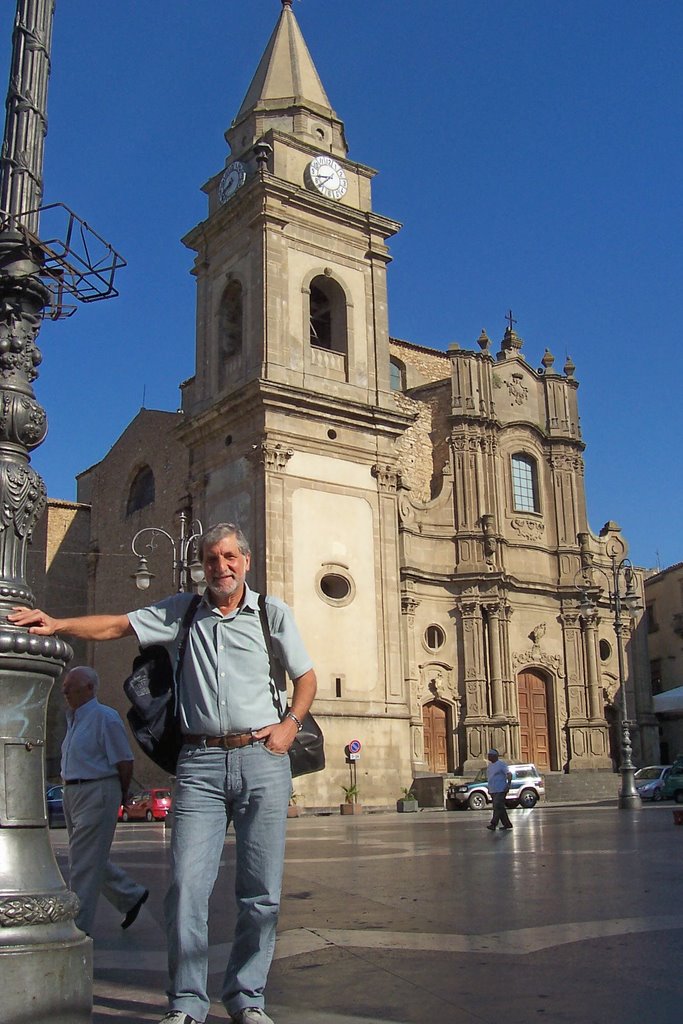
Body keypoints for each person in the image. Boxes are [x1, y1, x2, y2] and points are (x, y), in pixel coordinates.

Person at [10, 522, 317, 1024]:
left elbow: (306, 676)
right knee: (187, 889)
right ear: (202, 565)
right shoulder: (183, 611)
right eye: (211, 559)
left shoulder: (271, 612)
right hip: (197, 764)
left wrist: (290, 725)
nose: (221, 567)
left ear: (246, 560)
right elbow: (116, 626)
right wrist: (58, 623)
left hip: (262, 759)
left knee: (261, 892)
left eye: (229, 557)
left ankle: (247, 997)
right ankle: (187, 1004)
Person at [58, 665, 149, 935]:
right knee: (84, 857)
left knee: (84, 865)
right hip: (72, 791)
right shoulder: (73, 719)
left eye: (70, 687)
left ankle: (77, 928)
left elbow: (124, 761)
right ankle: (130, 895)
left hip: (97, 790)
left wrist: (119, 794)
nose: (64, 691)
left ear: (88, 688)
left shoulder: (105, 717)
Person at [486, 748, 513, 831]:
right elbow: (490, 778)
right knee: (500, 808)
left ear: (495, 756)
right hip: (493, 790)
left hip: (501, 789)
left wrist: (508, 784)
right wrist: (489, 789)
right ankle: (507, 824)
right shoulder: (490, 766)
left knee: (497, 807)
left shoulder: (501, 764)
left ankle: (493, 824)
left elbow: (509, 774)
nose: (488, 757)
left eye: (490, 755)